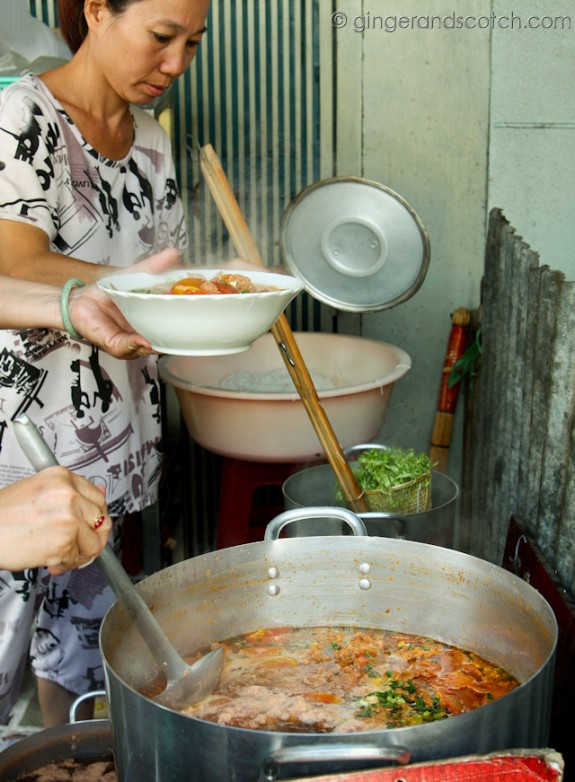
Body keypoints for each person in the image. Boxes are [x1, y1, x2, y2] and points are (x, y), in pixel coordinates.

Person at [0, 0, 210, 726]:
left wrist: (216, 299)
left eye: (192, 43)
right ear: (96, 11)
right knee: (3, 655)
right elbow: (14, 262)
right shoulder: (23, 117)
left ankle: (64, 758)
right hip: (23, 457)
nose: (176, 64)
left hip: (115, 440)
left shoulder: (150, 137)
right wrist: (157, 291)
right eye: (161, 37)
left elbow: (163, 270)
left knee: (85, 660)